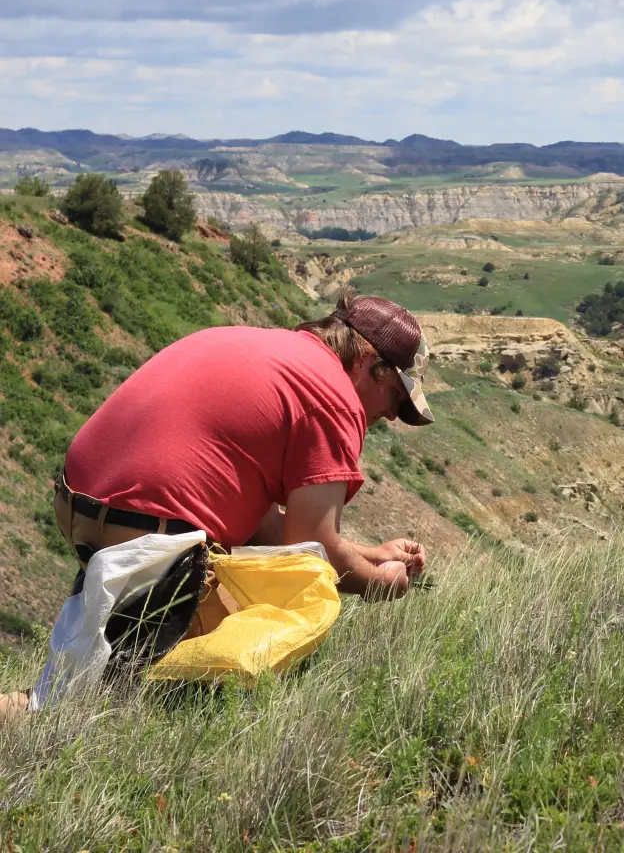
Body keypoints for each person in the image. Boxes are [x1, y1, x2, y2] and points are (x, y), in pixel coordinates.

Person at [1, 292, 434, 719]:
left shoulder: (271, 350)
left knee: (108, 677)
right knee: (95, 710)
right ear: (366, 363)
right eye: (396, 396)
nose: (393, 416)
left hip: (85, 504)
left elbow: (261, 522)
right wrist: (380, 583)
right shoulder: (335, 396)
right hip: (150, 528)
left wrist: (366, 555)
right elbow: (309, 554)